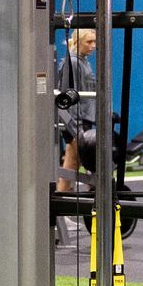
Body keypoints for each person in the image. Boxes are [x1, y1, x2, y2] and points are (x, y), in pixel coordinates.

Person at [55, 29, 96, 194]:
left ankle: (64, 199)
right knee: (73, 160)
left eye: (94, 42)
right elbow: (64, 94)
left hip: (85, 116)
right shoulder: (71, 62)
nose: (93, 46)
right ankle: (61, 201)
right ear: (79, 42)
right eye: (89, 42)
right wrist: (71, 122)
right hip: (74, 119)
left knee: (76, 159)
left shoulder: (84, 61)